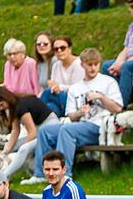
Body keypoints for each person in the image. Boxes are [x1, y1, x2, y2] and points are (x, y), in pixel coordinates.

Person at [24, 48, 122, 184]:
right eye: (89, 64)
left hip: (101, 127)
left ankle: (63, 175)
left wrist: (101, 97)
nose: (93, 68)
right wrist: (80, 112)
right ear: (82, 65)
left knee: (67, 130)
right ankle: (40, 174)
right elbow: (71, 116)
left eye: (96, 64)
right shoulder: (76, 88)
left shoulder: (108, 82)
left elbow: (118, 108)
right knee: (45, 131)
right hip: (80, 125)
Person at [0, 86, 59, 179]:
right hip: (40, 130)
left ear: (6, 98)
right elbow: (15, 130)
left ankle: (4, 176)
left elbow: (32, 133)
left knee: (23, 149)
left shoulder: (21, 105)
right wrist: (7, 150)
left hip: (50, 129)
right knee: (17, 146)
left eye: (1, 105)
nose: (1, 108)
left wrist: (23, 148)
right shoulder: (13, 107)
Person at [41, 36, 84, 117]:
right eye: (56, 49)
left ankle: (31, 121)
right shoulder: (56, 65)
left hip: (73, 100)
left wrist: (59, 87)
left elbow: (76, 88)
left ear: (70, 48)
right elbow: (53, 86)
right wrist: (55, 88)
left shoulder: (78, 64)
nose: (59, 51)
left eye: (62, 48)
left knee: (47, 92)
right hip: (57, 99)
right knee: (50, 107)